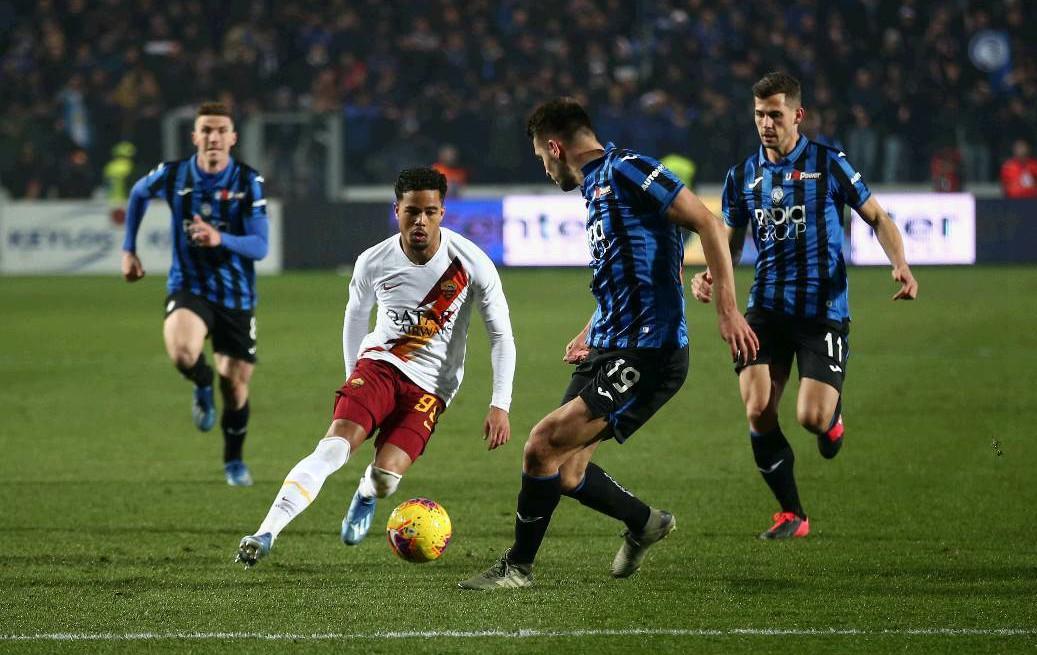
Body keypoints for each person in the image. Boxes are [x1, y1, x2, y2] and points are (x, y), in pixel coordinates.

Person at [458, 98, 758, 590]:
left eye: (541, 156)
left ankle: (517, 568)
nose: (545, 166)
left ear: (555, 146)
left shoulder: (628, 169)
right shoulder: (595, 188)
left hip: (649, 351)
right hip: (611, 343)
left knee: (540, 446)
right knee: (567, 471)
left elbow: (706, 222)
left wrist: (727, 309)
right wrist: (592, 326)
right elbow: (625, 274)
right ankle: (645, 523)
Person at [235, 167, 515, 567]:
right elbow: (355, 319)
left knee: (386, 479)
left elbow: (501, 336)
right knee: (333, 447)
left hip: (432, 388)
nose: (420, 221)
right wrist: (354, 375)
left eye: (430, 212)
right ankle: (266, 531)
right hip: (380, 366)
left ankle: (366, 493)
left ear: (443, 212)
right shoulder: (373, 261)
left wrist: (499, 403)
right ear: (397, 209)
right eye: (412, 211)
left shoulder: (472, 264)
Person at [691, 72, 918, 540]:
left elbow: (877, 216)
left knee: (810, 418)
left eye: (775, 114)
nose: (766, 124)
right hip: (767, 309)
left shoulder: (829, 164)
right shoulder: (743, 177)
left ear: (798, 114)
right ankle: (792, 513)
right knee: (758, 409)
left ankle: (831, 420)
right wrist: (712, 275)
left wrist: (900, 263)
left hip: (822, 311)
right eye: (759, 115)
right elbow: (730, 247)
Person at [121, 102, 269, 486]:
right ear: (195, 137)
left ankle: (233, 461)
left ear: (233, 138)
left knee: (235, 387)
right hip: (190, 285)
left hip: (236, 296)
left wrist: (221, 237)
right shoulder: (174, 175)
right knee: (183, 351)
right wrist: (128, 249)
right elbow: (137, 194)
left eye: (221, 130)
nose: (213, 137)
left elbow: (259, 246)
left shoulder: (248, 182)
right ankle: (201, 382)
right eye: (206, 130)